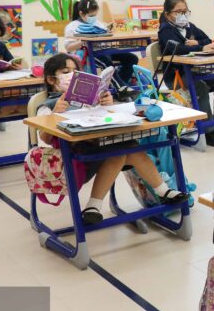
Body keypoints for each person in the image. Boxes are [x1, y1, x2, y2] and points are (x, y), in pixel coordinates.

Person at [37, 53, 189, 225]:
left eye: (75, 72)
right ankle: (161, 191)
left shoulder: (88, 99)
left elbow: (102, 119)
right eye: (66, 72)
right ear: (51, 79)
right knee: (123, 150)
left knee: (129, 147)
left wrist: (106, 105)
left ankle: (161, 192)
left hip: (100, 148)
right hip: (74, 160)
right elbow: (44, 137)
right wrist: (55, 113)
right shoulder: (48, 105)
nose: (71, 76)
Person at [156, 0, 214, 147]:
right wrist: (199, 47)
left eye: (185, 11)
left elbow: (208, 40)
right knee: (200, 87)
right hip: (176, 76)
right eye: (178, 12)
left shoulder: (189, 26)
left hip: (195, 72)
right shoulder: (165, 30)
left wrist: (197, 42)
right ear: (168, 14)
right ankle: (208, 131)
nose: (182, 15)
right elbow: (177, 48)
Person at [64, 0, 138, 82]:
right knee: (107, 61)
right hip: (89, 54)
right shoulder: (72, 26)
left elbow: (105, 35)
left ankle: (120, 83)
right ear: (81, 14)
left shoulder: (97, 23)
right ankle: (119, 86)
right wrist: (83, 42)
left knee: (132, 58)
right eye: (91, 16)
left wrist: (110, 32)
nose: (93, 18)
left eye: (95, 15)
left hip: (104, 50)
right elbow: (68, 47)